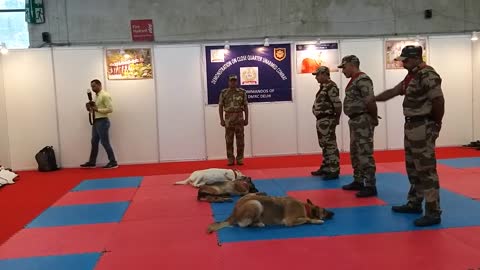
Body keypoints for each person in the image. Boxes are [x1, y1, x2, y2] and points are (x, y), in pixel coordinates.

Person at [373, 45, 444, 226]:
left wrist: (436, 124)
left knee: (426, 169)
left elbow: (438, 100)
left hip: (423, 125)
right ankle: (414, 202)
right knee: (413, 167)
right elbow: (394, 91)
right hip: (412, 125)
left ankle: (433, 211)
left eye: (405, 60)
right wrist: (373, 99)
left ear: (415, 58)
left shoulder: (428, 75)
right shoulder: (411, 76)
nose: (403, 62)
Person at [337, 55, 379, 197]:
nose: (343, 71)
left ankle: (370, 185)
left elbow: (370, 100)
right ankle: (358, 180)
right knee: (355, 152)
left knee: (365, 153)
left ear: (352, 65)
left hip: (362, 120)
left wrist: (373, 117)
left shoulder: (363, 79)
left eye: (344, 67)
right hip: (355, 120)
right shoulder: (354, 80)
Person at [310, 66, 342, 180]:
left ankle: (334, 169)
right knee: (324, 144)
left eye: (318, 75)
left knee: (330, 145)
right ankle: (326, 167)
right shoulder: (324, 87)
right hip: (321, 120)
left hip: (327, 119)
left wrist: (336, 119)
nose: (316, 78)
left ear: (324, 74)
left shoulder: (331, 86)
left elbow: (337, 104)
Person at [80, 79, 118, 169]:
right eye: (91, 86)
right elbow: (94, 109)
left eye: (94, 86)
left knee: (105, 142)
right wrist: (89, 107)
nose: (92, 88)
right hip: (96, 121)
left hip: (103, 121)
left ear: (99, 85)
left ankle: (113, 162)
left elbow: (110, 109)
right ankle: (92, 162)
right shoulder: (96, 97)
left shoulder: (104, 95)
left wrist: (97, 109)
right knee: (94, 142)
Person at [218, 74, 249, 166]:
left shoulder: (242, 92)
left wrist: (246, 119)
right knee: (229, 140)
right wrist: (221, 120)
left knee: (240, 140)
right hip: (228, 118)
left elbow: (246, 106)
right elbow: (220, 106)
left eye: (234, 81)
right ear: (228, 82)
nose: (233, 82)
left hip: (239, 118)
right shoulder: (224, 93)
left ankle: (240, 159)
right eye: (231, 81)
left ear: (237, 82)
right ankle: (230, 159)